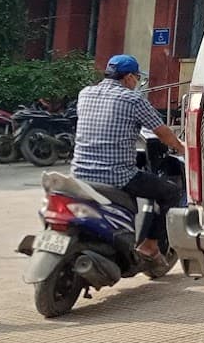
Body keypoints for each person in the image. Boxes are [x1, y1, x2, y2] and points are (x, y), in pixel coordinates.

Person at [71, 55, 185, 269]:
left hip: (80, 173)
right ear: (129, 77)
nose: (136, 83)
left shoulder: (85, 94)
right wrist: (182, 148)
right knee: (170, 192)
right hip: (117, 177)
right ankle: (150, 246)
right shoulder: (132, 99)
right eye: (137, 78)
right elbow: (161, 133)